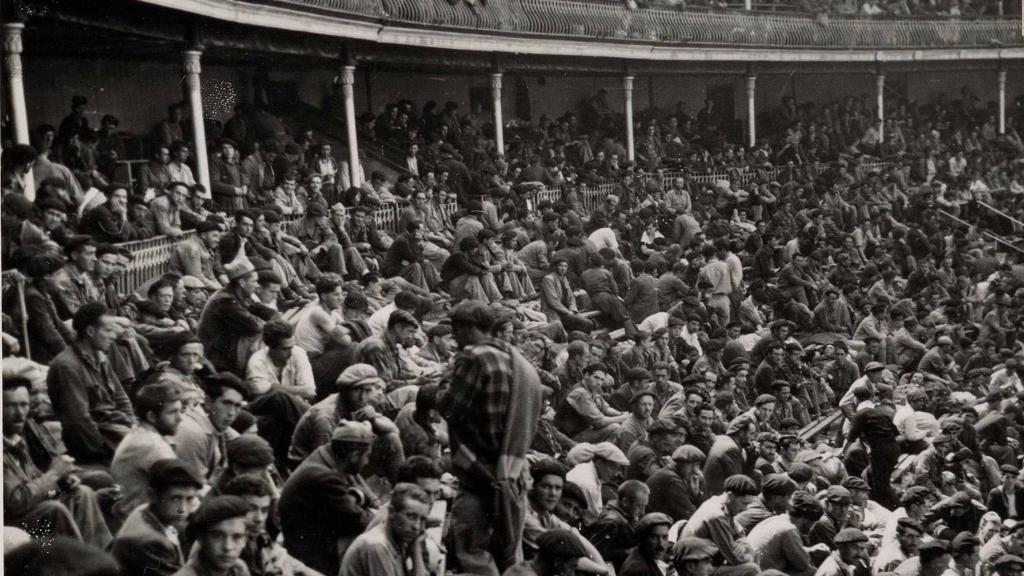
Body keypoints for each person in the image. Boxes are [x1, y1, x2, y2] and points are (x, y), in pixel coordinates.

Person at [439, 300, 544, 576]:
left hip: (480, 472)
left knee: (473, 552)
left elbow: (449, 408)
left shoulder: (474, 357)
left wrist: (441, 382)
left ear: (469, 327)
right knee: (509, 551)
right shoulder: (518, 361)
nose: (454, 335)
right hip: (513, 470)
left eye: (456, 328)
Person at [3, 376, 113, 549]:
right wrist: (53, 474)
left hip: (31, 510)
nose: (19, 413)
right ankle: (80, 565)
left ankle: (100, 557)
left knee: (80, 493)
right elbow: (15, 504)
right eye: (10, 406)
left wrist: (60, 483)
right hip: (12, 523)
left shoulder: (17, 440)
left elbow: (34, 482)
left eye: (24, 405)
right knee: (54, 509)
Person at [279, 422, 377, 576]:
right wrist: (376, 514)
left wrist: (358, 497)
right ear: (354, 456)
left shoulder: (327, 456)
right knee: (375, 543)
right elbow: (357, 520)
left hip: (309, 539)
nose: (367, 462)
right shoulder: (324, 476)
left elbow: (356, 496)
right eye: (367, 456)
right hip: (311, 555)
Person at [46, 302, 135, 465]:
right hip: (95, 444)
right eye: (108, 330)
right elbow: (80, 421)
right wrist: (104, 452)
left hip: (116, 430)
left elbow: (121, 398)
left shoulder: (100, 358)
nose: (113, 336)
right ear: (91, 331)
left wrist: (133, 427)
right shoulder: (67, 366)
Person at [110, 459, 203, 576]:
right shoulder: (151, 543)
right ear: (152, 495)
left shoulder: (144, 510)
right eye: (175, 499)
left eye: (189, 499)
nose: (182, 509)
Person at [110, 383, 184, 518]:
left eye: (180, 411)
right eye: (173, 412)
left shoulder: (142, 434)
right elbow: (181, 488)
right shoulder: (152, 445)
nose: (180, 418)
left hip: (136, 515)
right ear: (152, 417)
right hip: (138, 523)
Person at [339, 483, 432, 576]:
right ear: (391, 512)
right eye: (411, 516)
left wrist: (416, 548)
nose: (417, 526)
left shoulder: (397, 538)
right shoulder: (378, 545)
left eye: (423, 519)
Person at [680, 474, 761, 576]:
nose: (745, 509)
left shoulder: (719, 503)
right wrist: (749, 555)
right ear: (730, 496)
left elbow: (740, 534)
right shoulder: (716, 515)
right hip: (696, 570)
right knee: (752, 569)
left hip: (707, 563)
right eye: (744, 504)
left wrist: (741, 545)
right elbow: (736, 559)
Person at [173, 373, 247, 482]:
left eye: (237, 406)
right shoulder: (194, 432)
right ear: (208, 402)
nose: (231, 413)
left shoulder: (213, 420)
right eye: (226, 403)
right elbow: (193, 486)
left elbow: (245, 444)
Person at [197, 258, 264, 376]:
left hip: (227, 349)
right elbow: (255, 326)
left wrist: (273, 317)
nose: (257, 285)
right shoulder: (224, 300)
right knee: (263, 335)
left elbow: (262, 310)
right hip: (217, 358)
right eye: (254, 281)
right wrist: (269, 321)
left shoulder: (239, 293)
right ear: (242, 283)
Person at [746, 491, 824, 576]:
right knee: (812, 571)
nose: (812, 528)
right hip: (763, 573)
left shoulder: (775, 519)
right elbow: (803, 565)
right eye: (813, 523)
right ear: (806, 519)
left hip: (755, 571)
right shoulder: (789, 529)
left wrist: (810, 550)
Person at [174, 495, 250, 576]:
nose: (228, 547)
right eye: (217, 536)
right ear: (201, 539)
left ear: (245, 540)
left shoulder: (238, 569)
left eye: (237, 537)